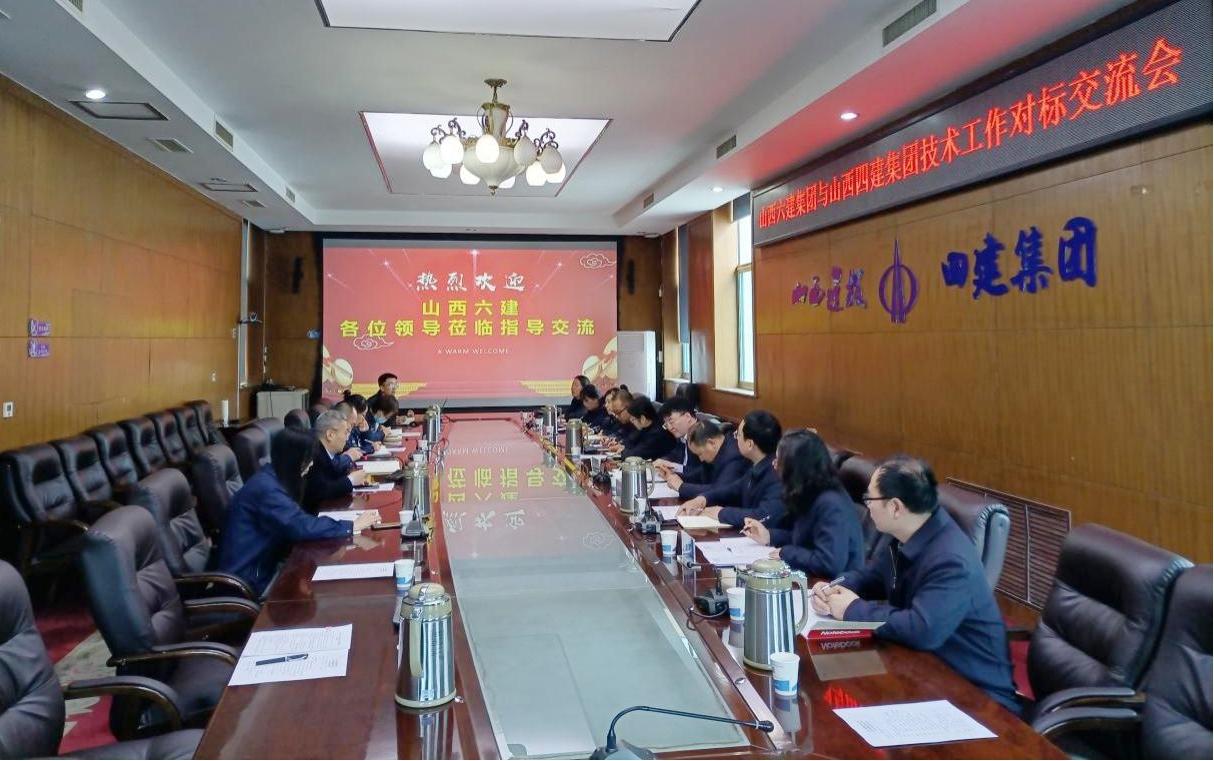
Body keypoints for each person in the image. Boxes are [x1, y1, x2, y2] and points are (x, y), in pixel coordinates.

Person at [812, 456, 1018, 713]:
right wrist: (834, 587)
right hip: (921, 671)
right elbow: (872, 577)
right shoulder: (906, 535)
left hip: (977, 697)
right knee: (830, 682)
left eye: (870, 498)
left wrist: (851, 609)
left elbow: (921, 629)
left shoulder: (951, 560)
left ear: (895, 507)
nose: (867, 505)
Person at [219, 429, 378, 596]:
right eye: (308, 459)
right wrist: (352, 525)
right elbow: (300, 525)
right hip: (251, 582)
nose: (311, 464)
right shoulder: (266, 489)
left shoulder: (273, 477)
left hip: (267, 566)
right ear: (294, 458)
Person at [741, 429, 864, 579]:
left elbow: (828, 563)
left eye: (779, 461)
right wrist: (769, 536)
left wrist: (786, 553)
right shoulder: (809, 492)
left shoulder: (831, 504)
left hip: (833, 586)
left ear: (795, 467)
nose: (774, 465)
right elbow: (805, 538)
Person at [677, 409, 783, 528]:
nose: (735, 438)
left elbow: (763, 516)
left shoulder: (777, 473)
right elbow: (733, 489)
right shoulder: (757, 466)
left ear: (750, 444)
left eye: (738, 435)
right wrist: (703, 499)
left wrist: (721, 513)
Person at [659, 419, 748, 500]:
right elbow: (699, 475)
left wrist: (681, 487)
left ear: (711, 443)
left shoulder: (734, 457)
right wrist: (673, 476)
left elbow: (720, 491)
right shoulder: (718, 451)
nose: (701, 459)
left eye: (700, 454)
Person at [303, 410, 368, 510]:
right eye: (345, 433)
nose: (347, 438)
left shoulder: (328, 451)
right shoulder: (314, 454)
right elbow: (320, 491)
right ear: (330, 435)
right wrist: (351, 480)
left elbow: (334, 475)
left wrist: (351, 475)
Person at [654, 397, 705, 482]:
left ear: (688, 417)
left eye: (671, 422)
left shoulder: (703, 435)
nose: (670, 428)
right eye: (666, 425)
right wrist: (663, 462)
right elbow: (674, 454)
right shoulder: (682, 434)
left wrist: (675, 467)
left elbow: (702, 473)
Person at [619, 395, 677, 460]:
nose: (631, 421)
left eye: (633, 419)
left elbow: (635, 455)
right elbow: (630, 441)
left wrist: (623, 451)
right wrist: (622, 446)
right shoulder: (646, 426)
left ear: (643, 418)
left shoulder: (657, 433)